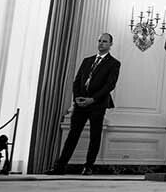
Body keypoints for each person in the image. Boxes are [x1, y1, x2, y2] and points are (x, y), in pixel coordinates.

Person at [46, 33, 121, 175]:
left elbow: (110, 85)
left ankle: (88, 167)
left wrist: (92, 99)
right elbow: (77, 81)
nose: (101, 44)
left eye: (104, 41)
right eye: (99, 41)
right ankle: (60, 167)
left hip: (97, 104)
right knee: (72, 135)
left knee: (95, 136)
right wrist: (77, 99)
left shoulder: (114, 63)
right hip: (81, 104)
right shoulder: (87, 61)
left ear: (111, 44)